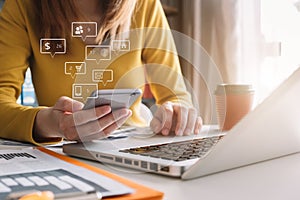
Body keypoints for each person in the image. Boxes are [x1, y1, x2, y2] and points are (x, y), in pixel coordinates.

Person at [0, 0, 202, 144]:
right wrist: (49, 124)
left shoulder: (145, 4)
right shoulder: (22, 5)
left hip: (132, 147)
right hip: (61, 150)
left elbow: (176, 96)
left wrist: (177, 114)